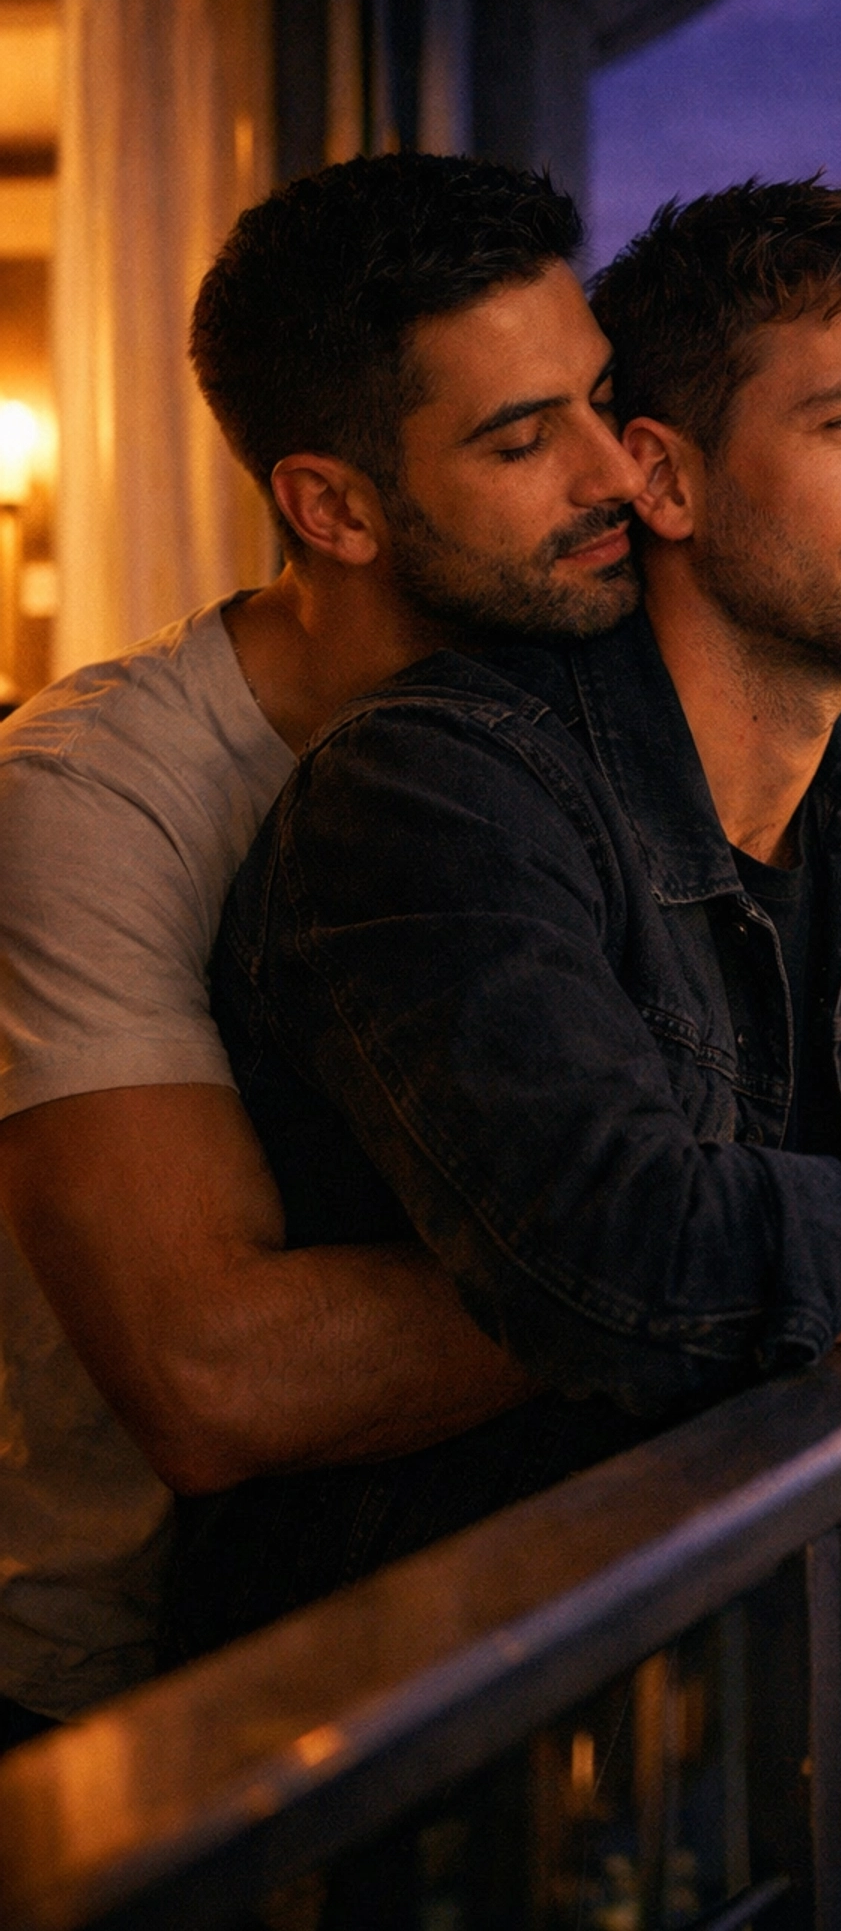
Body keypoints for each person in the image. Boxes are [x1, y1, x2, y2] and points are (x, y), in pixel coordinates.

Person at [183, 177, 841, 1784]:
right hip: (433, 1773)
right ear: (662, 476)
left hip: (771, 1754)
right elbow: (623, 1258)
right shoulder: (444, 792)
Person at [0, 154, 647, 1741]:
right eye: (522, 438)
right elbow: (214, 1377)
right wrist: (728, 1275)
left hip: (438, 1654)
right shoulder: (86, 797)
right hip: (109, 1703)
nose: (617, 473)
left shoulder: (586, 720)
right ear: (335, 507)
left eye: (601, 400)